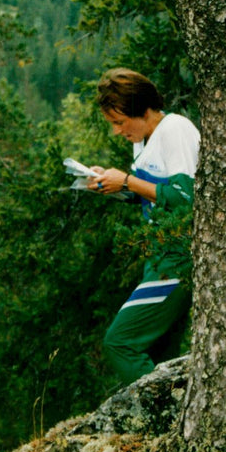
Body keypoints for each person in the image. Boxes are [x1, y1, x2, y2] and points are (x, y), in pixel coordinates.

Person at [86, 67, 200, 386]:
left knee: (120, 341)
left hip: (178, 258)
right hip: (160, 256)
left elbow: (185, 199)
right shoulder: (145, 139)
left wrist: (127, 180)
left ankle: (159, 413)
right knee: (162, 354)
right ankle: (172, 422)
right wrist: (115, 186)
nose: (117, 131)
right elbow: (153, 195)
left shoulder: (175, 130)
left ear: (144, 111)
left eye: (120, 122)